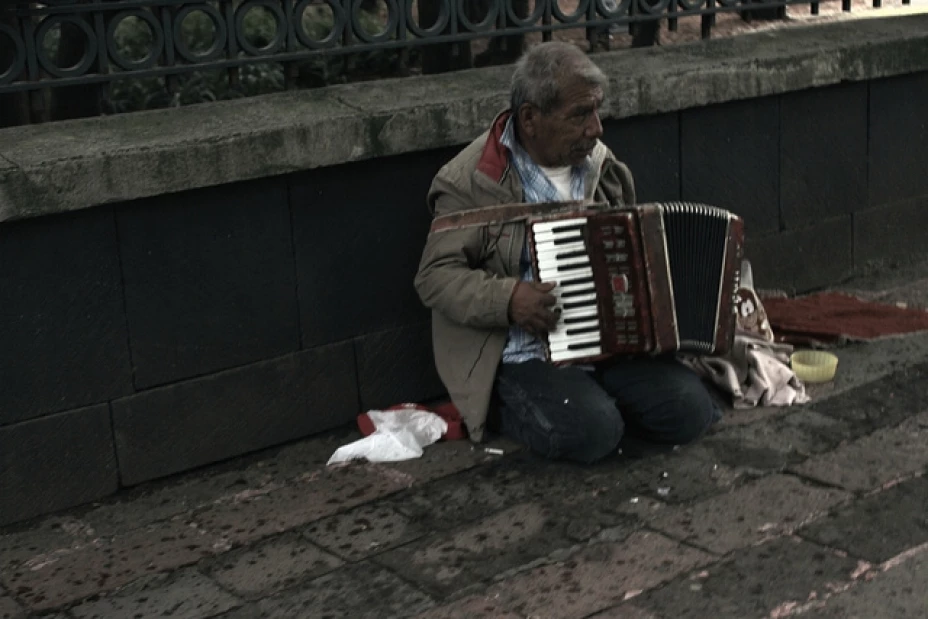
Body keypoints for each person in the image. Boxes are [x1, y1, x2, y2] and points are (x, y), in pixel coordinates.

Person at [414, 42, 720, 464]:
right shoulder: (470, 179)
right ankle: (524, 409)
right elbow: (434, 276)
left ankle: (597, 402)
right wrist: (508, 299)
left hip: (607, 341)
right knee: (593, 432)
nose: (596, 128)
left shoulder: (599, 164)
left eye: (596, 111)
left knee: (691, 411)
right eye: (580, 115)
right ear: (530, 119)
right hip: (521, 353)